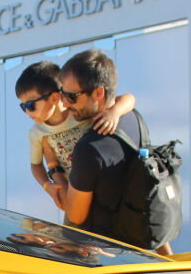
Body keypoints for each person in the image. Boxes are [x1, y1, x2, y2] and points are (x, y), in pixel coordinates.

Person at [55, 49, 174, 255]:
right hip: (138, 248)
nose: (65, 104)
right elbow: (128, 98)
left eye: (72, 97)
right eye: (63, 94)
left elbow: (76, 215)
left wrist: (54, 184)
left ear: (99, 93)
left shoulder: (89, 148)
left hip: (102, 260)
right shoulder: (133, 118)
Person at [15, 60, 134, 210]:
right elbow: (36, 165)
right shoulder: (37, 133)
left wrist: (114, 112)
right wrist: (47, 186)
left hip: (101, 186)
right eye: (22, 106)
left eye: (30, 105)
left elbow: (129, 98)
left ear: (54, 98)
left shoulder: (78, 112)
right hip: (74, 193)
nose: (27, 112)